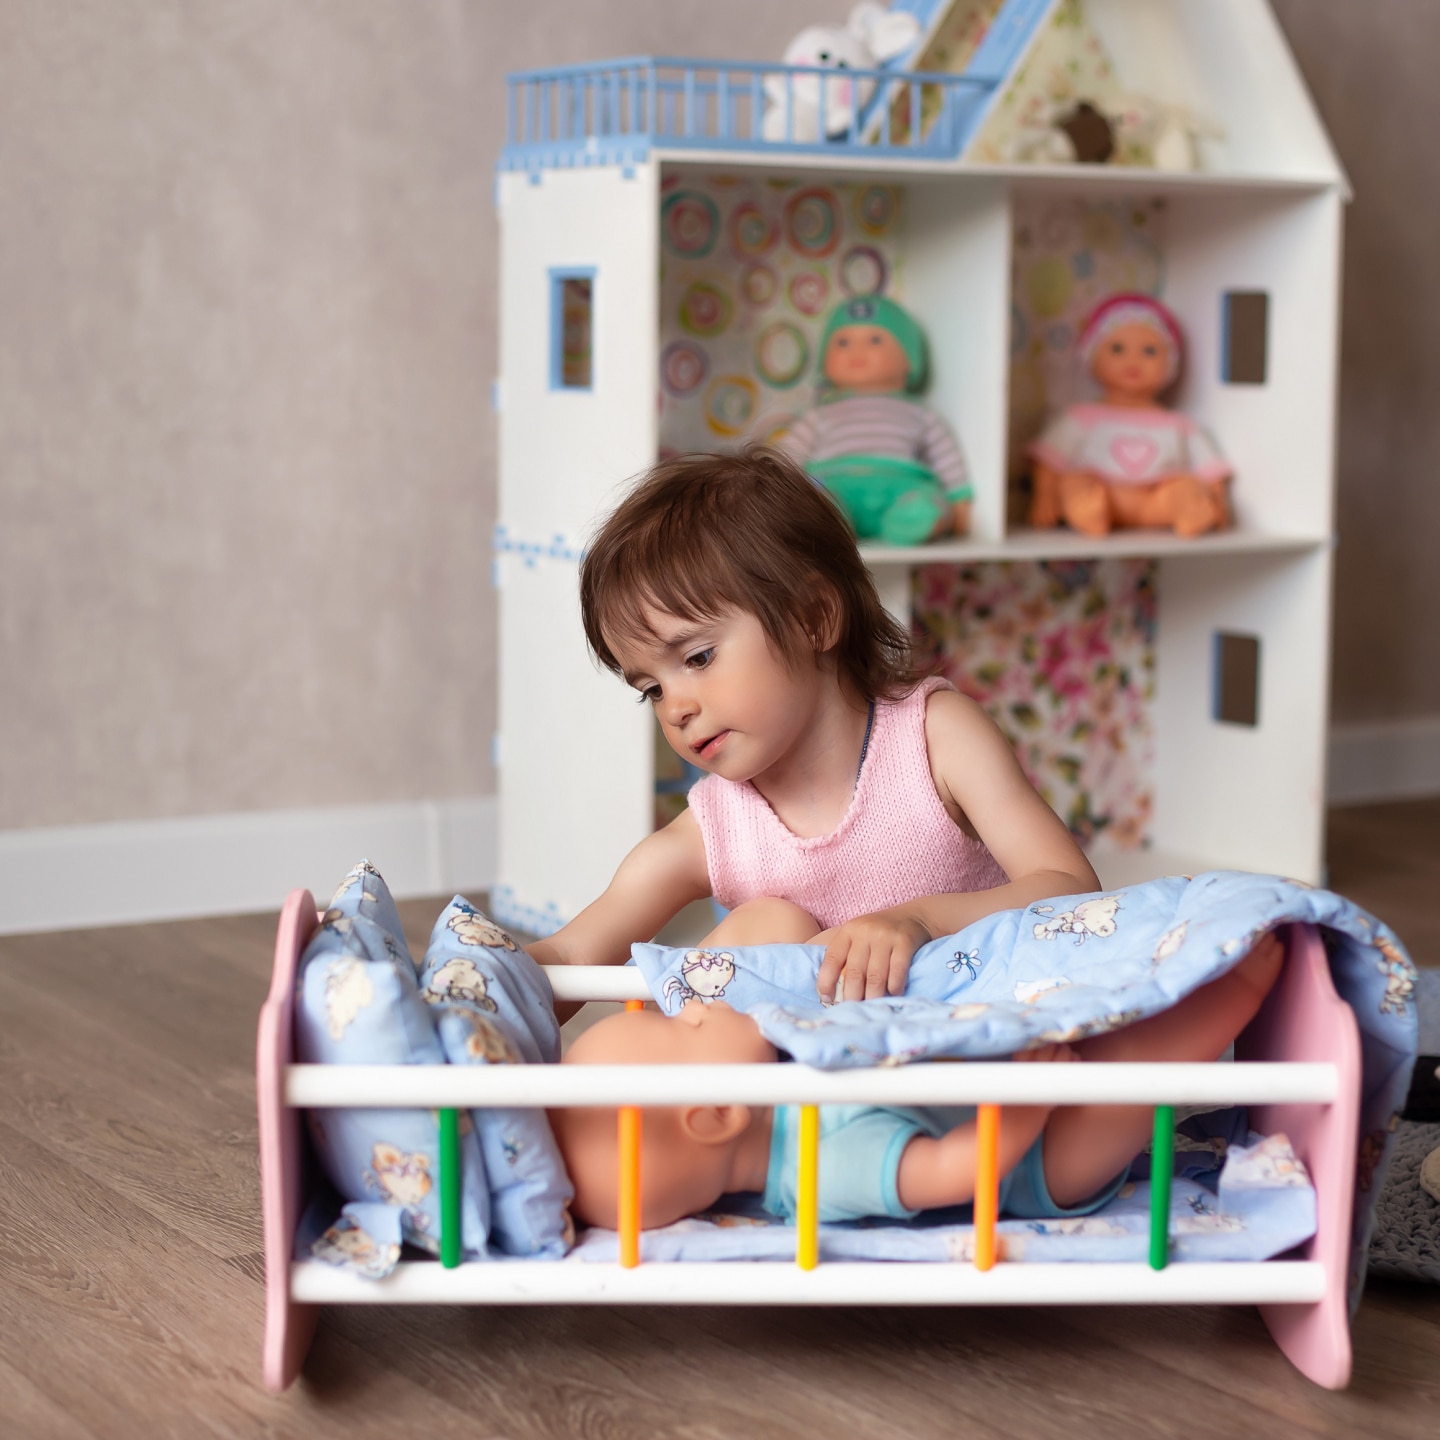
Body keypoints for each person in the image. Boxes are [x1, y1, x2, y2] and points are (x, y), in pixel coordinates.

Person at [526, 443, 1099, 1005]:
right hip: (809, 1095)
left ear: (813, 618)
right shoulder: (715, 829)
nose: (675, 707)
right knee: (764, 928)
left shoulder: (936, 738)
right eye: (651, 689)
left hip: (970, 1060)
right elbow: (574, 957)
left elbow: (1071, 889)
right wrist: (487, 982)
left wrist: (920, 918)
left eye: (698, 658)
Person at [551, 928, 1284, 1231]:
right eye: (683, 1026)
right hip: (1035, 1163)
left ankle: (1200, 978)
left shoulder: (785, 1067)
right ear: (713, 1115)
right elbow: (944, 1171)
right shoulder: (820, 1166)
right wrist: (1023, 1112)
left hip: (997, 1079)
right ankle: (1244, 991)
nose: (700, 1006)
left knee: (1103, 1022)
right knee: (1133, 1071)